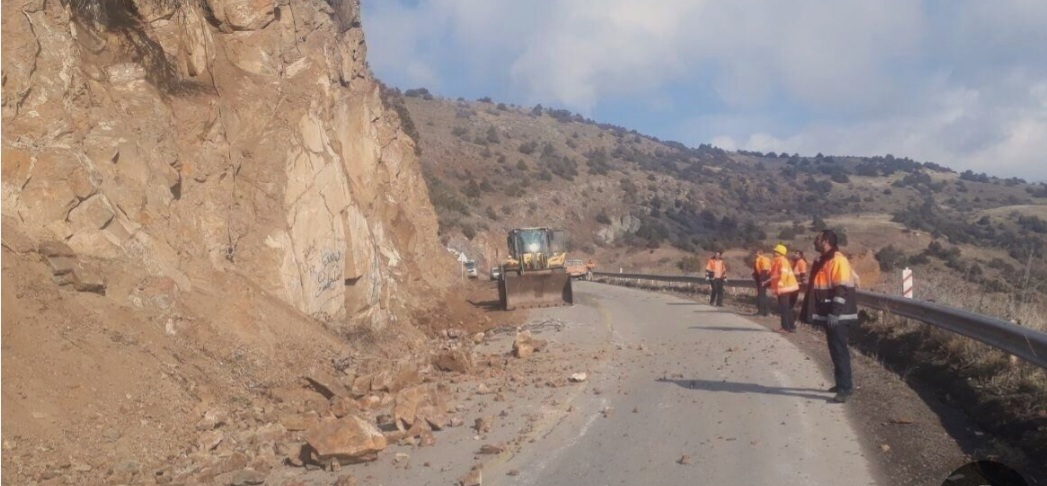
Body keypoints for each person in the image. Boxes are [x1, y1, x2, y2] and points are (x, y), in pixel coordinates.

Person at [800, 230, 859, 403]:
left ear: (825, 241)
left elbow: (841, 289)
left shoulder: (837, 260)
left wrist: (834, 312)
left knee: (839, 350)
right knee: (835, 349)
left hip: (839, 315)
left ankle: (845, 388)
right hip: (831, 314)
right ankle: (841, 383)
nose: (814, 242)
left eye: (817, 239)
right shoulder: (824, 260)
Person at [766, 244, 800, 333]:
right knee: (787, 308)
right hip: (787, 288)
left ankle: (785, 327)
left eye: (776, 251)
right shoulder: (778, 261)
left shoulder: (782, 261)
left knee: (784, 308)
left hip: (784, 288)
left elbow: (783, 273)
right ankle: (791, 327)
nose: (774, 252)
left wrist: (780, 284)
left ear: (780, 253)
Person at [751, 249, 771, 316]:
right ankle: (765, 311)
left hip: (763, 279)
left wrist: (762, 280)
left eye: (757, 253)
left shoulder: (763, 259)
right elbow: (758, 269)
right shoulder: (759, 259)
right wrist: (754, 274)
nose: (756, 254)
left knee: (761, 295)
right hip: (761, 278)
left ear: (760, 253)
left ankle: (762, 311)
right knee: (762, 294)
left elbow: (764, 270)